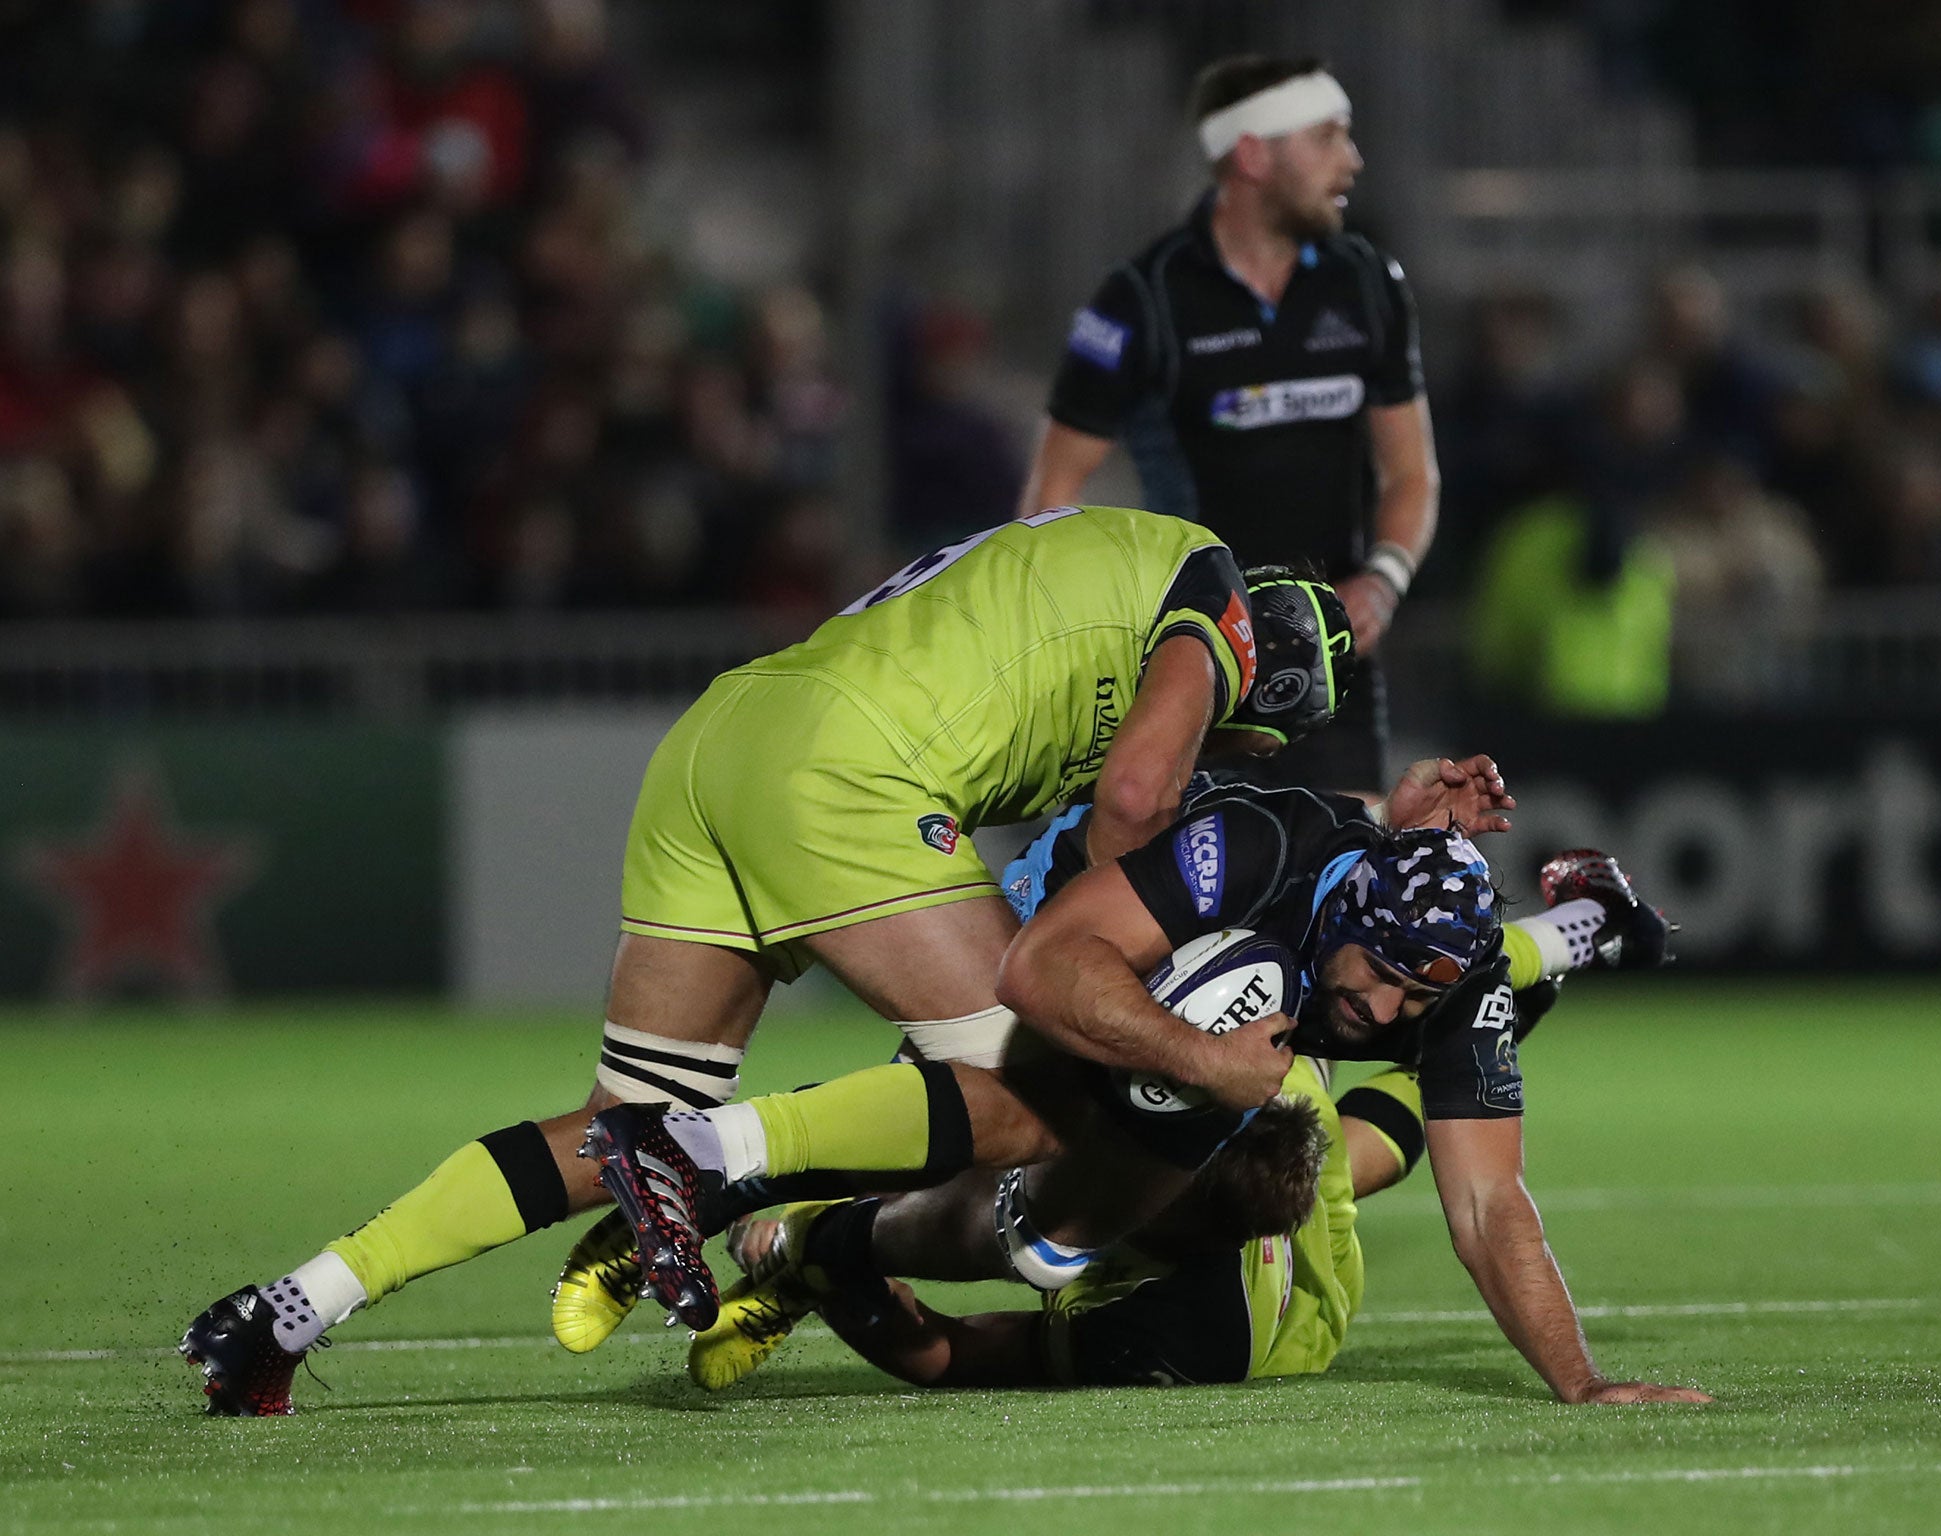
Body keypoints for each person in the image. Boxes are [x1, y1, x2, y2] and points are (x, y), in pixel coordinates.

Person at [180, 505, 1362, 1416]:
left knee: (616, 1119)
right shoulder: (1215, 607)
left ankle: (287, 1309)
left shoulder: (1108, 559)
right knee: (1032, 1097)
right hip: (848, 770)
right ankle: (719, 1166)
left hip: (726, 738)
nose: (1223, 742)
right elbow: (1136, 802)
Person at [683, 852, 1705, 1405]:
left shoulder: (1184, 1333)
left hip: (1271, 1315)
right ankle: (1591, 924)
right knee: (1395, 1104)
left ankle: (810, 1236)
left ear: (1159, 1226)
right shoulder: (1273, 1057)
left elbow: (954, 1356)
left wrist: (839, 1280)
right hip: (1295, 1170)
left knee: (976, 1214)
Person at [1017, 54, 1441, 793]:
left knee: (1343, 892)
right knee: (1193, 900)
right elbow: (1052, 490)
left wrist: (1384, 580)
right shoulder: (1141, 300)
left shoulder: (1368, 283)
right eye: (1328, 137)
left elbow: (1412, 472)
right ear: (1253, 152)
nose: (1353, 160)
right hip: (1195, 666)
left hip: (1330, 665)